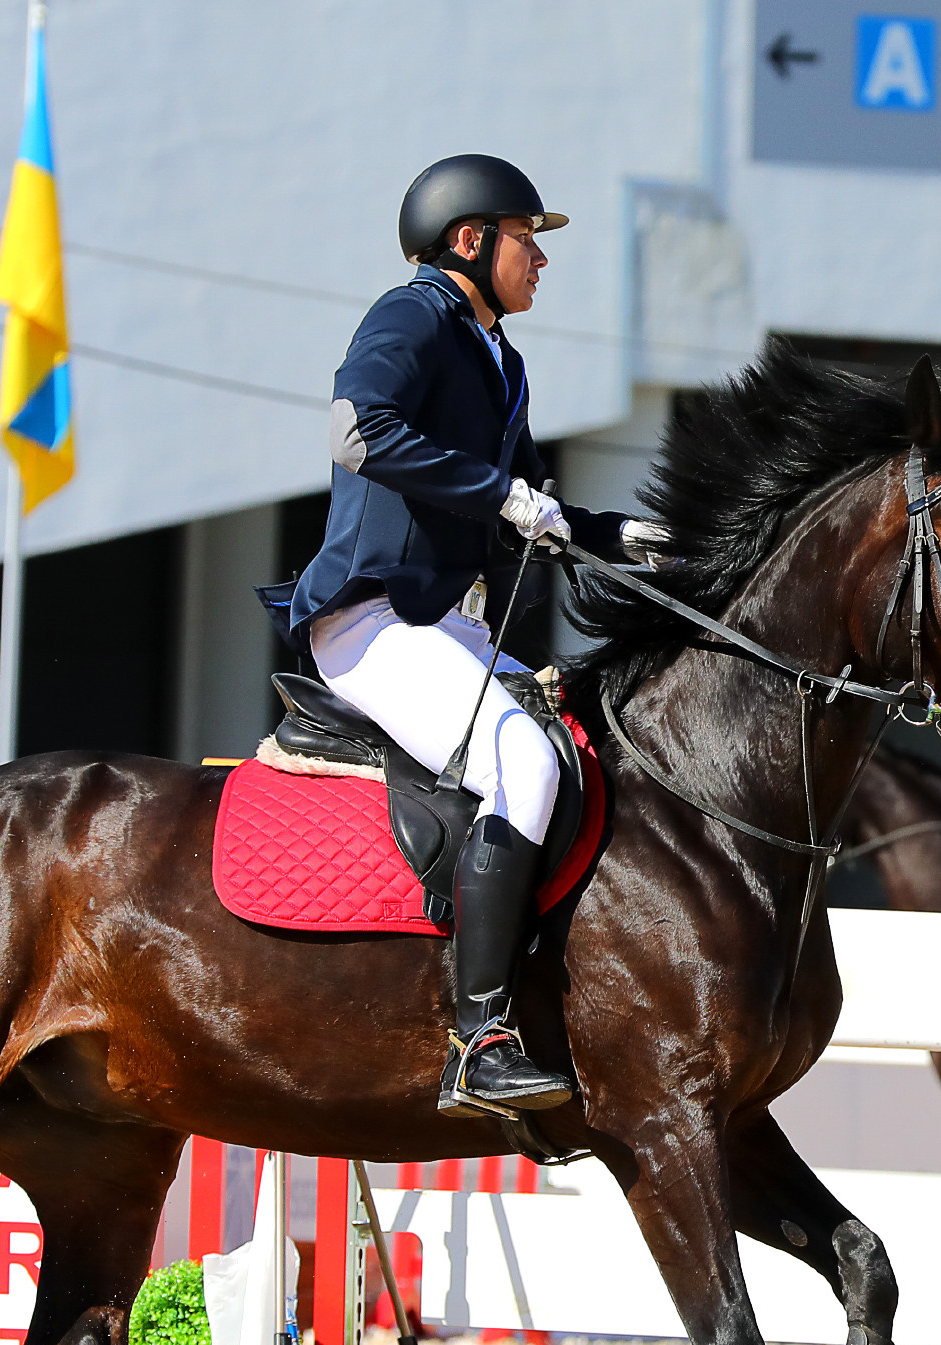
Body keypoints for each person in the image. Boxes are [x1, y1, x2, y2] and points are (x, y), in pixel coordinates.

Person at [271, 155, 666, 1120]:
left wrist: (617, 535)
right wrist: (501, 494)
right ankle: (479, 1038)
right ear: (469, 241)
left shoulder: (501, 357)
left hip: (439, 620)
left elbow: (532, 501)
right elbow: (358, 432)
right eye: (528, 238)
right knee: (524, 764)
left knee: (585, 737)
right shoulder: (412, 317)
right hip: (371, 619)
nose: (540, 258)